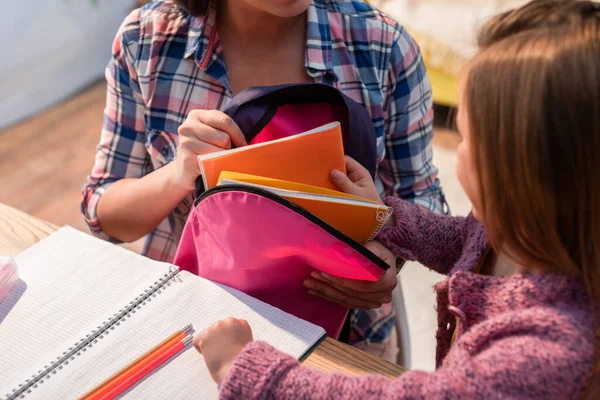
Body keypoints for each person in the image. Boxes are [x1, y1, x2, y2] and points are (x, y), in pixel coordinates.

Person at [193, 0, 600, 398]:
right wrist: (382, 218)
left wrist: (250, 371)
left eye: (464, 137)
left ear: (522, 172)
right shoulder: (518, 233)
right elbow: (462, 240)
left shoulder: (542, 351)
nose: (455, 149)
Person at [81, 0, 444, 359]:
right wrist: (178, 173)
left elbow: (423, 196)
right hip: (191, 335)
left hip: (344, 347)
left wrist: (386, 259)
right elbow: (103, 212)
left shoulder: (382, 45)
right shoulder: (146, 39)